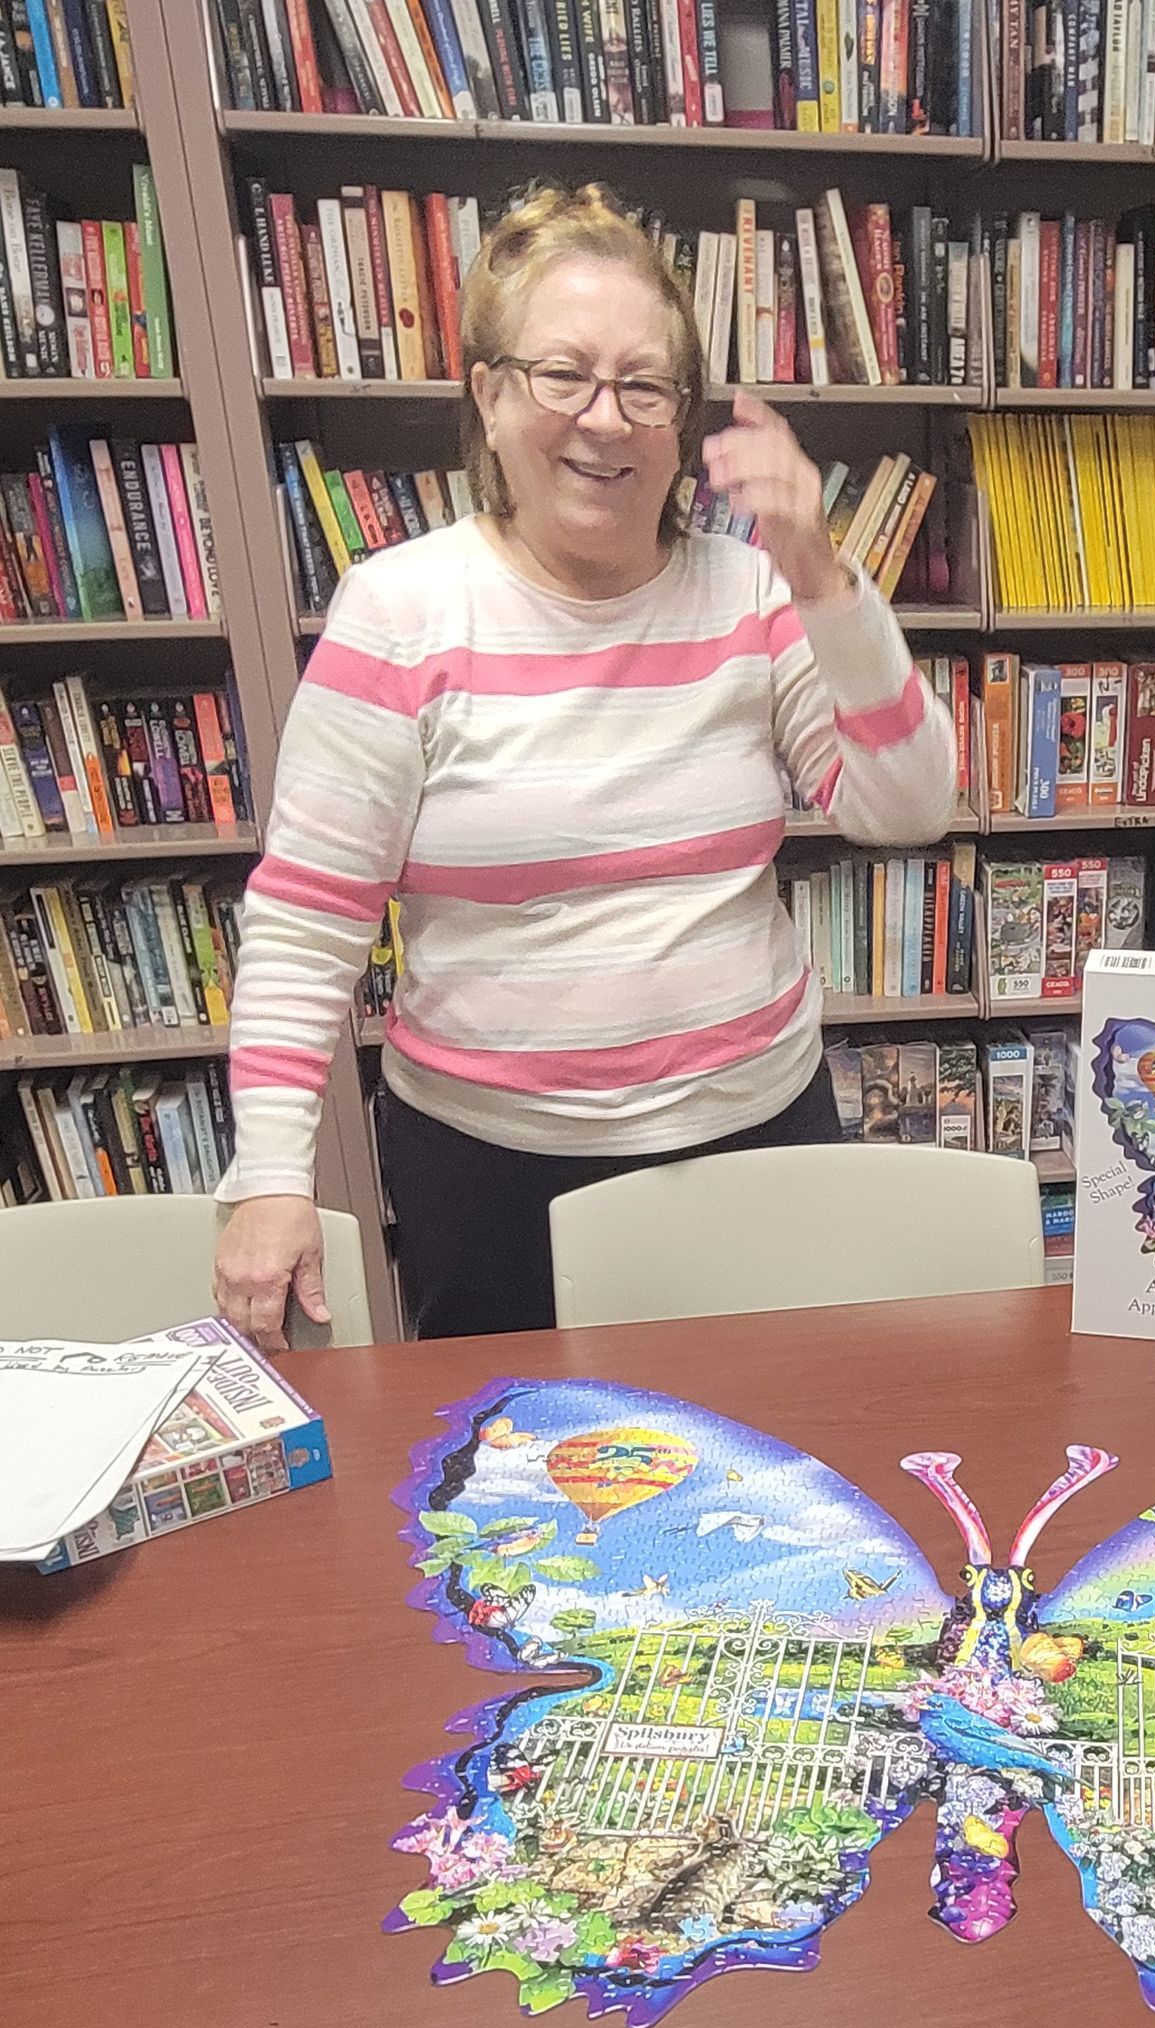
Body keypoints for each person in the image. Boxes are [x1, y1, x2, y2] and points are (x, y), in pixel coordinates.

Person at [213, 181, 955, 1346]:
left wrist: (820, 572)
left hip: (758, 1141)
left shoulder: (756, 592)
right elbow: (308, 922)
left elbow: (906, 805)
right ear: (493, 400)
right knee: (519, 1503)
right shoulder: (398, 612)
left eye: (643, 384)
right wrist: (266, 1177)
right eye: (563, 374)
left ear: (681, 421)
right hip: (495, 1179)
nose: (604, 419)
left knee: (784, 1484)